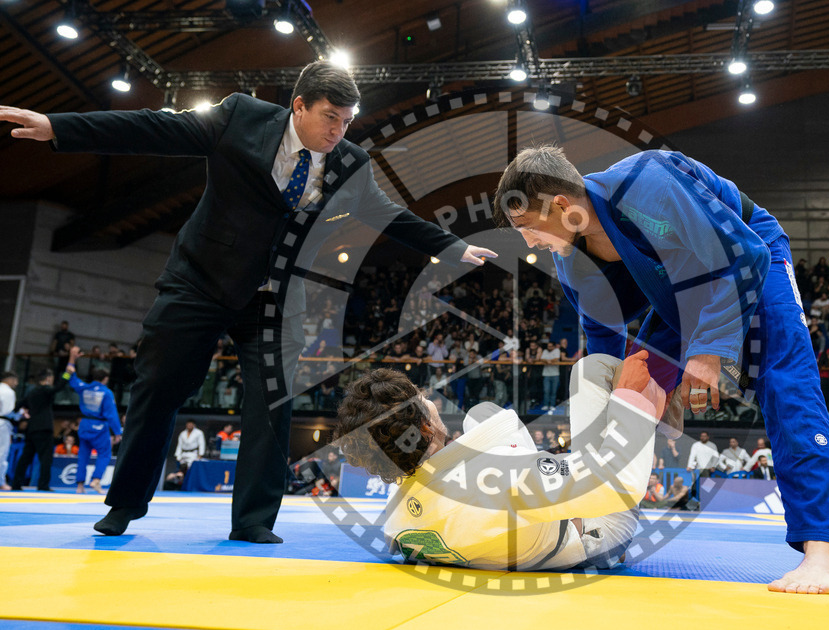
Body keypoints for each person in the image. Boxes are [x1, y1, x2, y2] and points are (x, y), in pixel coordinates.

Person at [0, 61, 495, 542]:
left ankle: (254, 520)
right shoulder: (240, 117)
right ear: (299, 106)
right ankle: (125, 503)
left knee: (271, 405)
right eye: (330, 117)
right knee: (157, 388)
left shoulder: (350, 164)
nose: (338, 131)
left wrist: (451, 246)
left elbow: (387, 212)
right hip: (201, 280)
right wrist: (59, 127)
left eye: (347, 121)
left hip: (275, 299)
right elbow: (155, 128)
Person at [494, 145, 829, 593]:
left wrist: (707, 351)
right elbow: (605, 346)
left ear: (563, 206)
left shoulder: (648, 184)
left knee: (783, 382)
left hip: (748, 257)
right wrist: (628, 400)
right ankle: (605, 527)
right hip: (679, 290)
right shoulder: (572, 262)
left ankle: (824, 555)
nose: (529, 243)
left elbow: (746, 256)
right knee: (617, 384)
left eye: (527, 228)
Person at [335, 351, 664, 571]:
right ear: (425, 427)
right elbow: (620, 484)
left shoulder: (396, 515)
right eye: (424, 399)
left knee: (482, 414)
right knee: (590, 370)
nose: (431, 400)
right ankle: (662, 402)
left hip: (494, 524)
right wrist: (630, 400)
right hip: (591, 532)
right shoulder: (499, 479)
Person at [64, 346, 123, 494]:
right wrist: (118, 432)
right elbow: (111, 414)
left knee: (83, 455)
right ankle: (96, 480)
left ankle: (79, 486)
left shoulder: (84, 387)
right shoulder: (106, 393)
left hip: (84, 424)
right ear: (105, 379)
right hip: (99, 426)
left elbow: (71, 377)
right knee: (105, 454)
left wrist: (72, 359)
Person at [11, 369, 66, 491]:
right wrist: (67, 374)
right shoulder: (45, 389)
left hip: (32, 428)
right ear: (48, 378)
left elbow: (18, 405)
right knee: (46, 458)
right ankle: (43, 485)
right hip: (44, 428)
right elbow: (58, 388)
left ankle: (16, 484)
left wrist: (21, 415)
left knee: (26, 457)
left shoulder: (32, 392)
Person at [0, 372, 23, 490]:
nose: (16, 383)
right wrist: (21, 413)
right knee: (2, 453)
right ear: (10, 379)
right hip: (2, 424)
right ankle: (1, 482)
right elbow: (9, 411)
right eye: (15, 380)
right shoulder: (8, 392)